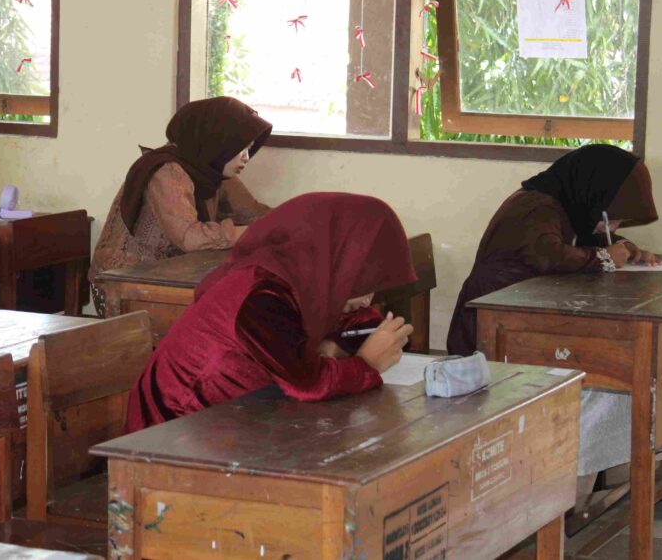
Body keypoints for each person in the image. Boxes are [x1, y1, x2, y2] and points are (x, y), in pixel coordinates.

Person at [125, 193, 417, 433]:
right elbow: (309, 384)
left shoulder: (306, 279)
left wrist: (335, 345)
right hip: (176, 427)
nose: (367, 299)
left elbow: (362, 322)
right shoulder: (261, 296)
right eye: (361, 283)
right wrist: (367, 363)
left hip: (242, 417)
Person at [447, 144, 658, 356]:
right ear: (592, 192)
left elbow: (583, 238)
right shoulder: (537, 206)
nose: (612, 228)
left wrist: (626, 248)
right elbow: (550, 256)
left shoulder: (567, 204)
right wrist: (604, 257)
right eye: (610, 219)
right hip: (492, 320)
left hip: (516, 313)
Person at [89, 97, 274, 315]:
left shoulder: (211, 170)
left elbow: (253, 212)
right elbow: (190, 237)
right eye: (241, 148)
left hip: (167, 278)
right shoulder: (166, 171)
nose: (246, 158)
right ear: (219, 141)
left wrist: (293, 221)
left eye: (249, 150)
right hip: (123, 288)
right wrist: (255, 232)